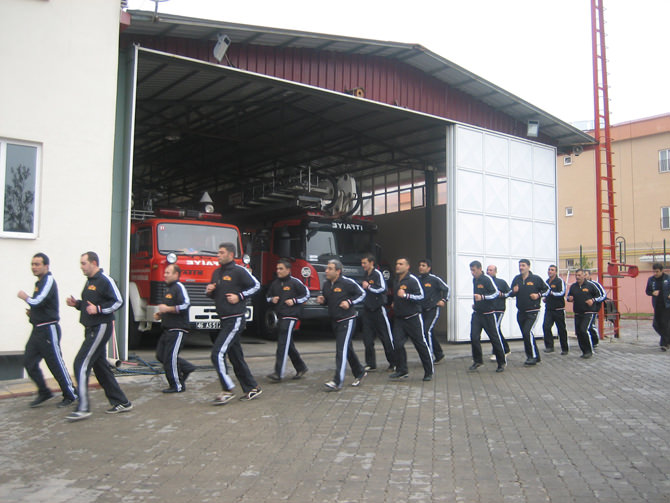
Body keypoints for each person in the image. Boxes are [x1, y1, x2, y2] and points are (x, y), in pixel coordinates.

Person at [65, 252, 132, 421]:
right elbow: (89, 306)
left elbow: (119, 301)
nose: (81, 266)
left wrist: (99, 310)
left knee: (81, 363)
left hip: (101, 327)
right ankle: (121, 401)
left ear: (94, 263)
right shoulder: (90, 282)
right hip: (90, 327)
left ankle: (83, 407)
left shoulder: (104, 280)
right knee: (100, 367)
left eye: (84, 263)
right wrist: (77, 304)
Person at [18, 253, 77, 408]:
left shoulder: (49, 280)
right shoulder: (39, 282)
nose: (34, 267)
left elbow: (38, 300)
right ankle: (44, 391)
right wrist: (32, 314)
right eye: (32, 264)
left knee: (55, 363)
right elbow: (40, 305)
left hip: (48, 329)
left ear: (46, 266)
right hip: (37, 330)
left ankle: (71, 393)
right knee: (28, 362)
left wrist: (25, 297)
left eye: (37, 264)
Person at [207, 242, 262, 404]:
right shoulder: (216, 273)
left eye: (222, 252)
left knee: (217, 353)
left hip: (235, 318)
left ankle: (227, 389)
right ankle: (252, 388)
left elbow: (256, 286)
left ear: (230, 255)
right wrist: (209, 291)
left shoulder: (239, 271)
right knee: (235, 356)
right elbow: (216, 295)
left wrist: (240, 296)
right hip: (223, 319)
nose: (218, 255)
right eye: (218, 252)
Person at [317, 259, 367, 390]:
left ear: (338, 271)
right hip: (335, 321)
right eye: (327, 268)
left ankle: (337, 381)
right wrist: (322, 301)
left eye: (329, 269)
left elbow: (362, 293)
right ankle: (360, 372)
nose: (326, 271)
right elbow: (329, 301)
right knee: (347, 349)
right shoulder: (327, 284)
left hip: (347, 319)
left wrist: (349, 302)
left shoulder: (347, 283)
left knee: (341, 350)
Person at [388, 257, 434, 381]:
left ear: (407, 267)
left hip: (413, 318)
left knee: (420, 344)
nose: (397, 266)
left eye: (401, 264)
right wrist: (394, 303)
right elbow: (397, 296)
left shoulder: (413, 280)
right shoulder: (396, 280)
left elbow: (421, 297)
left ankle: (429, 371)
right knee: (397, 344)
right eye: (397, 263)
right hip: (399, 319)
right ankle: (402, 370)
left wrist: (406, 295)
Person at [153, 264, 196, 393]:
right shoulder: (167, 289)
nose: (165, 275)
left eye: (168, 273)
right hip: (167, 328)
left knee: (170, 357)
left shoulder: (179, 287)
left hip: (178, 329)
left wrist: (168, 309)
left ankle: (177, 385)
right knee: (161, 355)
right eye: (165, 272)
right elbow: (168, 307)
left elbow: (186, 304)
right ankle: (187, 367)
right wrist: (160, 314)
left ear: (176, 275)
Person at [265, 259, 309, 382]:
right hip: (280, 316)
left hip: (291, 316)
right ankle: (301, 367)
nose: (278, 271)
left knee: (282, 343)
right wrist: (272, 299)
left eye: (281, 269)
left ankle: (278, 373)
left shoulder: (295, 282)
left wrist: (294, 301)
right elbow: (267, 296)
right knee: (287, 344)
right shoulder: (275, 283)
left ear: (288, 270)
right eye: (277, 268)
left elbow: (306, 294)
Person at [509, 259, 549, 366]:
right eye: (520, 265)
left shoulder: (536, 279)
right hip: (521, 311)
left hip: (533, 311)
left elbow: (547, 290)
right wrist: (514, 291)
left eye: (523, 265)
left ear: (528, 267)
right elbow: (509, 293)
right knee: (526, 335)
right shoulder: (517, 279)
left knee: (528, 332)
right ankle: (535, 356)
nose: (521, 267)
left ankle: (533, 357)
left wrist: (538, 295)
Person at [468, 261, 506, 373]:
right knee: (474, 337)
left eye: (474, 270)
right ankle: (478, 360)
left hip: (488, 314)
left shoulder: (487, 279)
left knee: (494, 338)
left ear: (480, 269)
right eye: (471, 270)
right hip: (477, 314)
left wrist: (482, 297)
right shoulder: (474, 280)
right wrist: (476, 303)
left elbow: (495, 293)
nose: (472, 273)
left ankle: (501, 362)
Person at [359, 254, 394, 372]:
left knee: (385, 337)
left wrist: (369, 287)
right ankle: (370, 363)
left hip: (379, 310)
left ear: (371, 263)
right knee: (367, 339)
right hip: (367, 311)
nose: (362, 265)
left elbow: (383, 289)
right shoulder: (365, 275)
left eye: (365, 263)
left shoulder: (377, 274)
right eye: (362, 263)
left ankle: (393, 362)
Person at [418, 259, 450, 365]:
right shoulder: (417, 280)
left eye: (423, 265)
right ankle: (439, 354)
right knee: (428, 332)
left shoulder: (434, 279)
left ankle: (429, 357)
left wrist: (443, 300)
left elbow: (446, 289)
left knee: (426, 331)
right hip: (421, 310)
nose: (421, 267)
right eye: (420, 265)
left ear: (429, 268)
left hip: (432, 309)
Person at [567, 269, 602, 359]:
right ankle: (584, 350)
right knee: (578, 332)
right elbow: (569, 297)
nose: (577, 277)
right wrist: (569, 298)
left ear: (584, 276)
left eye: (579, 275)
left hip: (588, 311)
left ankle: (589, 351)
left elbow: (601, 296)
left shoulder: (591, 285)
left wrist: (593, 300)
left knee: (584, 330)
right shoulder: (573, 286)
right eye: (576, 275)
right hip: (578, 312)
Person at [542, 264, 569, 355]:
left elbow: (562, 293)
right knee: (546, 327)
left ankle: (565, 348)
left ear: (556, 272)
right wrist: (545, 298)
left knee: (561, 329)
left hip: (558, 309)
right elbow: (545, 292)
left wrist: (552, 293)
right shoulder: (546, 282)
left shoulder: (559, 281)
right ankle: (549, 346)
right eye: (549, 269)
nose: (550, 271)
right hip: (549, 309)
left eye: (552, 270)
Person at [486, 265, 511, 361]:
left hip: (499, 309)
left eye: (491, 270)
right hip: (489, 310)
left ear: (495, 272)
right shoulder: (485, 282)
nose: (489, 271)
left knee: (495, 329)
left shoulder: (501, 282)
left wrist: (502, 294)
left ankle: (497, 352)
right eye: (488, 270)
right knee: (494, 330)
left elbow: (509, 292)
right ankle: (506, 348)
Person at [645, 263, 670, 351]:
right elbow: (647, 291)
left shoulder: (667, 278)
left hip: (667, 305)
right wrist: (652, 293)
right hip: (657, 305)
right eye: (654, 271)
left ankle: (664, 344)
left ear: (662, 271)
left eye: (657, 271)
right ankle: (667, 339)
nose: (655, 273)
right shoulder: (651, 280)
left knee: (664, 323)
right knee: (656, 324)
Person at [583, 270, 607, 349]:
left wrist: (594, 300)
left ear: (590, 275)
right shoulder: (579, 285)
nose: (584, 276)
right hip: (582, 309)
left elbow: (603, 295)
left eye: (585, 274)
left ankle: (595, 341)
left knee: (590, 325)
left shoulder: (595, 284)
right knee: (582, 326)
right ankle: (586, 341)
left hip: (592, 309)